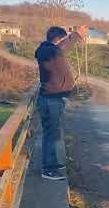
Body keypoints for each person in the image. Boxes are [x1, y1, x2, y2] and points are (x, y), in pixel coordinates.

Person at [35, 25, 88, 180]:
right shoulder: (48, 51)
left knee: (53, 134)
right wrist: (76, 35)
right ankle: (48, 169)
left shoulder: (51, 52)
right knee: (52, 135)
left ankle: (54, 163)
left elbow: (61, 49)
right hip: (51, 101)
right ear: (58, 39)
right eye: (64, 40)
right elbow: (61, 48)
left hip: (54, 100)